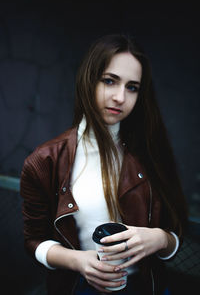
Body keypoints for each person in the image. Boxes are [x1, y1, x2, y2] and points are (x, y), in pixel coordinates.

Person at [20, 34, 188, 295]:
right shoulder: (45, 160)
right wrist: (78, 261)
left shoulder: (149, 151)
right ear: (89, 79)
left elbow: (176, 234)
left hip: (148, 287)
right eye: (110, 81)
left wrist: (159, 239)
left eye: (132, 87)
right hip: (80, 287)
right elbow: (33, 241)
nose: (120, 97)